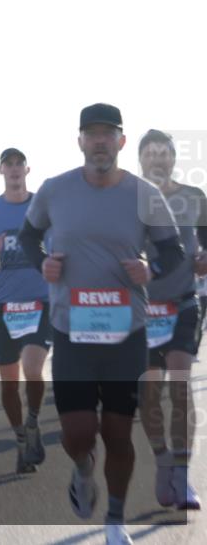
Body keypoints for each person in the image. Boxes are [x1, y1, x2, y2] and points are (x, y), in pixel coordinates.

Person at [18, 104, 184, 545]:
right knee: (78, 434)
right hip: (72, 331)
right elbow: (28, 236)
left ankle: (114, 519)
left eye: (107, 134)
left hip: (125, 333)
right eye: (91, 134)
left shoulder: (145, 194)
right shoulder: (55, 190)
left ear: (121, 142)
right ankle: (82, 468)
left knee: (117, 433)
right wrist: (43, 264)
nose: (98, 142)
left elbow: (173, 252)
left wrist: (151, 269)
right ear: (79, 142)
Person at [135, 130, 207, 511]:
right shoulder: (129, 201)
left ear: (174, 158)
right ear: (140, 160)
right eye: (151, 154)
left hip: (183, 304)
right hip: (143, 310)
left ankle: (182, 474)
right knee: (149, 395)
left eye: (164, 153)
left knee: (180, 386)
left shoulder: (194, 198)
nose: (158, 160)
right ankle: (162, 459)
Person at [0, 148, 52, 475]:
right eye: (8, 164)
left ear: (27, 169)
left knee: (32, 367)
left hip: (40, 301)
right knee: (9, 385)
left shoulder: (45, 207)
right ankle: (21, 438)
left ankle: (33, 421)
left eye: (19, 163)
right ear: (0, 171)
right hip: (2, 305)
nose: (14, 169)